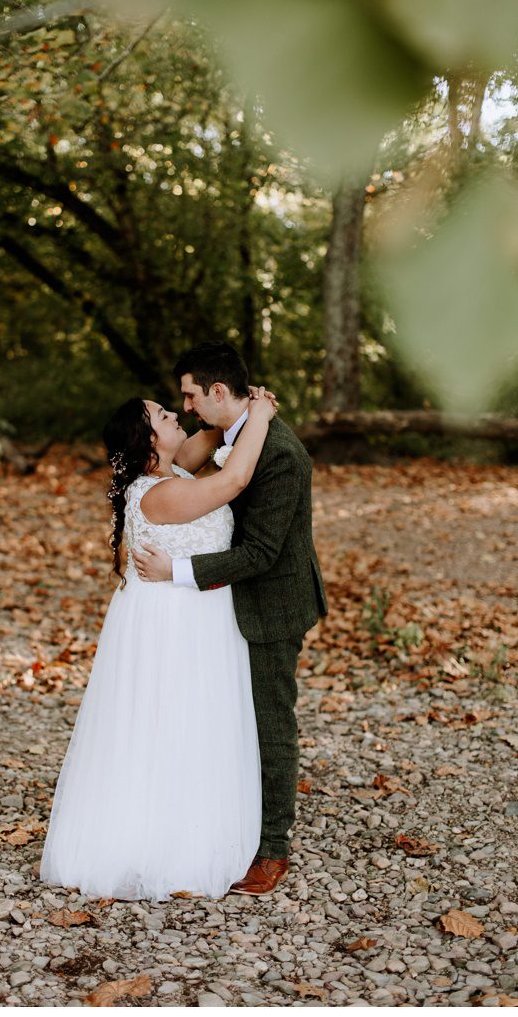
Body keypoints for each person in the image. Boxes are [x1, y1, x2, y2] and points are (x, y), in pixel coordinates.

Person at [39, 383, 276, 899]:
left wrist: (228, 402)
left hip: (196, 614)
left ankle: (193, 823)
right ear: (149, 442)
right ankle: (164, 844)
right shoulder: (160, 492)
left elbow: (209, 430)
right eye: (164, 414)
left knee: (193, 722)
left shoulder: (172, 469)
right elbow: (234, 478)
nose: (177, 414)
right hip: (177, 624)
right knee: (174, 721)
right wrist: (260, 412)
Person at [133, 342, 327, 895]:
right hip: (225, 600)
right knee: (229, 718)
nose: (187, 407)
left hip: (270, 600)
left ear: (218, 391)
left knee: (271, 722)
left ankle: (272, 849)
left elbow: (262, 552)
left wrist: (175, 570)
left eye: (191, 395)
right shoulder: (232, 434)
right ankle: (226, 820)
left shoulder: (281, 453)